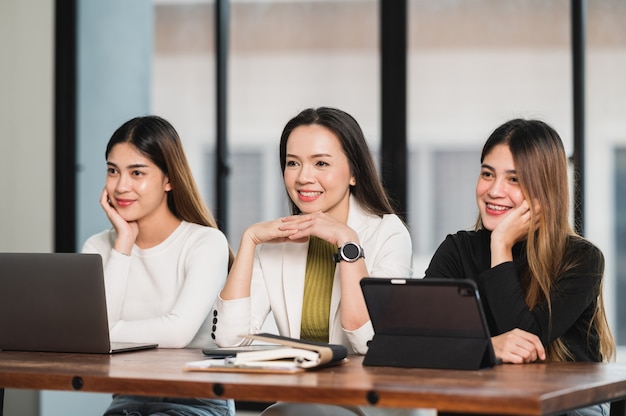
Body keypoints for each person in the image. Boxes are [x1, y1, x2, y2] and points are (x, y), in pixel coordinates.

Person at [212, 107, 424, 416]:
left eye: (321, 163)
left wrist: (348, 244)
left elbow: (370, 341)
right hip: (300, 402)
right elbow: (228, 340)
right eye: (292, 163)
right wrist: (249, 240)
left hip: (372, 404)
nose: (303, 177)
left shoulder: (388, 233)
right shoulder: (277, 241)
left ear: (354, 173)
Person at [424, 118, 615, 416]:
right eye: (488, 174)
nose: (494, 190)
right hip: (484, 400)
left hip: (564, 404)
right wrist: (489, 348)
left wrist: (500, 246)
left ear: (545, 191)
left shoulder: (582, 259)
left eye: (514, 179)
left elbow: (526, 341)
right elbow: (417, 340)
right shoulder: (457, 249)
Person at [82, 115, 235, 416]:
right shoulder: (97, 247)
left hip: (199, 398)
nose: (121, 185)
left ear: (169, 179)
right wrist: (123, 244)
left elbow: (177, 333)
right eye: (113, 171)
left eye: (137, 172)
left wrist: (108, 333)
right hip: (127, 398)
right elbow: (95, 340)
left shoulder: (205, 242)